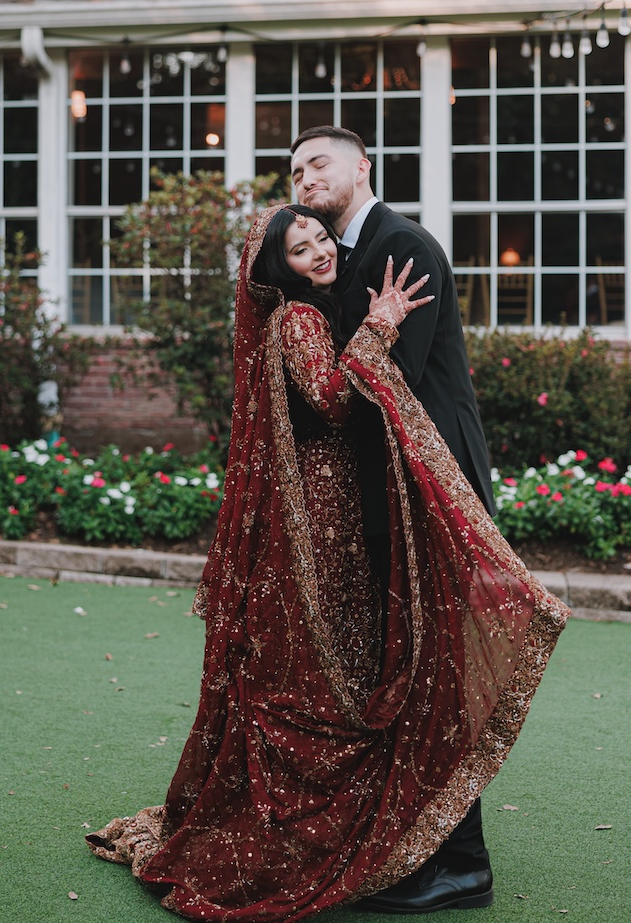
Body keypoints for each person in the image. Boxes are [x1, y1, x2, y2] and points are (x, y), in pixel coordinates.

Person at [86, 203, 569, 922]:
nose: (316, 248)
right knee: (342, 660)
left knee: (350, 654)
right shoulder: (301, 320)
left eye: (317, 235)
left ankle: (391, 823)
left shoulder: (310, 311)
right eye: (298, 245)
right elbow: (336, 400)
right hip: (327, 503)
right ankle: (345, 821)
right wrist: (382, 323)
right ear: (278, 266)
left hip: (331, 495)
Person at [290, 125, 495, 913]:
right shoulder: (345, 253)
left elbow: (386, 385)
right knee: (403, 667)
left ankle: (462, 861)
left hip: (431, 490)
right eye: (296, 168)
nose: (306, 175)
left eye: (320, 162)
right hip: (390, 493)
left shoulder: (398, 243)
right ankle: (412, 840)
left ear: (361, 165)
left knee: (433, 669)